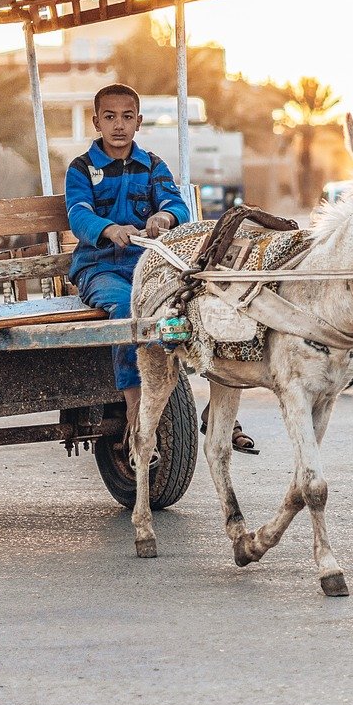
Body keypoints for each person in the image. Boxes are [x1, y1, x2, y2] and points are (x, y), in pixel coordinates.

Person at [65, 83, 256, 453]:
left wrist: (165, 216)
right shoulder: (82, 169)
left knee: (205, 306)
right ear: (96, 122)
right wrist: (108, 229)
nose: (118, 125)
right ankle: (136, 404)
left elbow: (176, 204)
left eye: (126, 117)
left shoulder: (152, 165)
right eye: (109, 117)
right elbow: (78, 214)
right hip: (100, 269)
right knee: (129, 311)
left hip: (150, 268)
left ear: (138, 122)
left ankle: (219, 407)